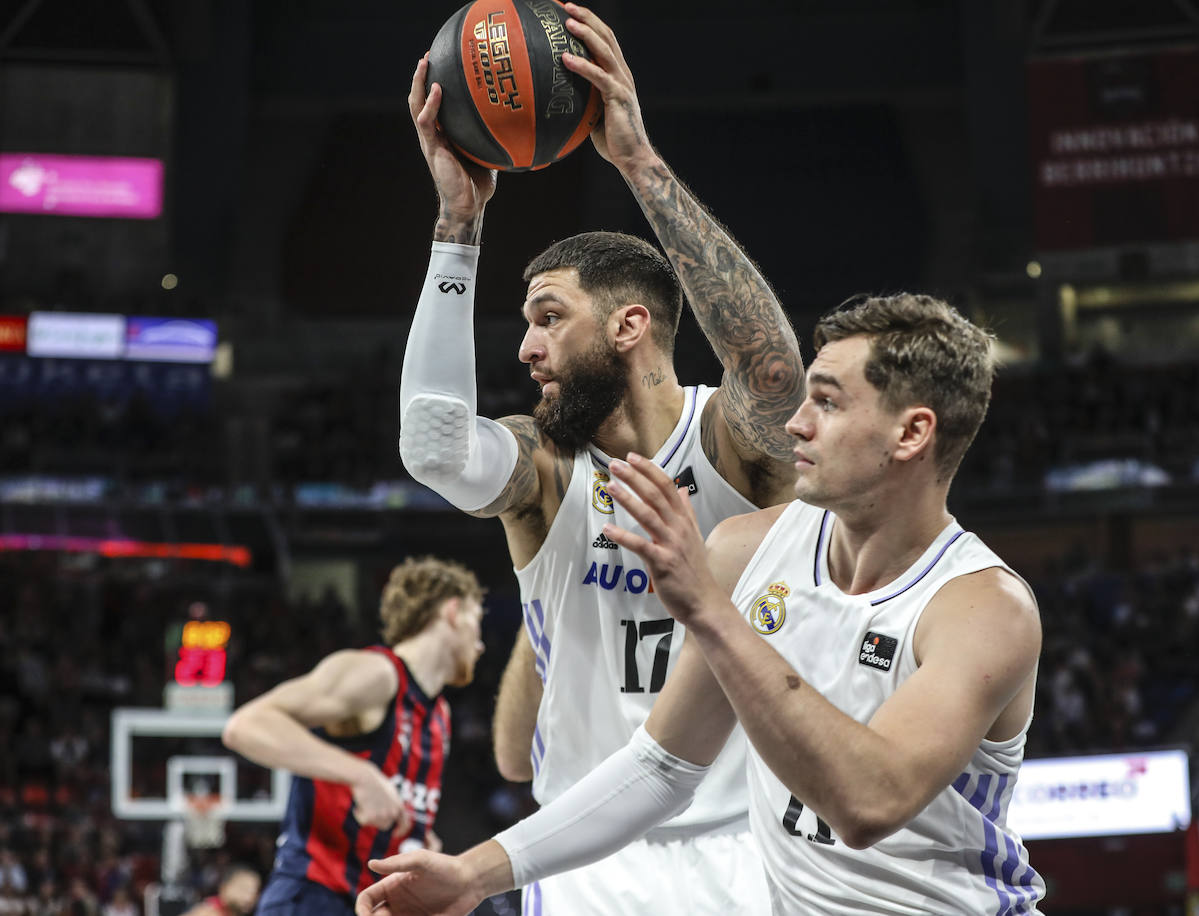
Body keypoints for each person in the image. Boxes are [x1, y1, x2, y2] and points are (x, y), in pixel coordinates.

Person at [358, 294, 1046, 915]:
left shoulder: (984, 609)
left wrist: (710, 611)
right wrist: (473, 875)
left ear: (911, 434)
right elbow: (659, 768)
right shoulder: (748, 550)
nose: (797, 425)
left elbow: (869, 804)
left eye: (829, 404)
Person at [397, 3, 802, 912]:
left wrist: (637, 162)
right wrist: (456, 227)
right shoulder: (542, 469)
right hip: (583, 862)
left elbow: (773, 372)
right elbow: (430, 445)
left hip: (747, 848)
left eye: (548, 317)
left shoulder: (734, 447)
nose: (525, 350)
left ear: (629, 326)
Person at [222, 558, 486, 915]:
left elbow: (396, 812)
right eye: (477, 621)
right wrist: (360, 774)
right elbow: (246, 725)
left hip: (371, 905)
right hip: (312, 897)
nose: (481, 644)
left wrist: (423, 845)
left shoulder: (440, 716)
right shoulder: (377, 674)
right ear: (452, 611)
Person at [178, 866, 261, 916]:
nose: (249, 897)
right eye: (243, 889)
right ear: (224, 887)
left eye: (254, 892)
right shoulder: (208, 912)